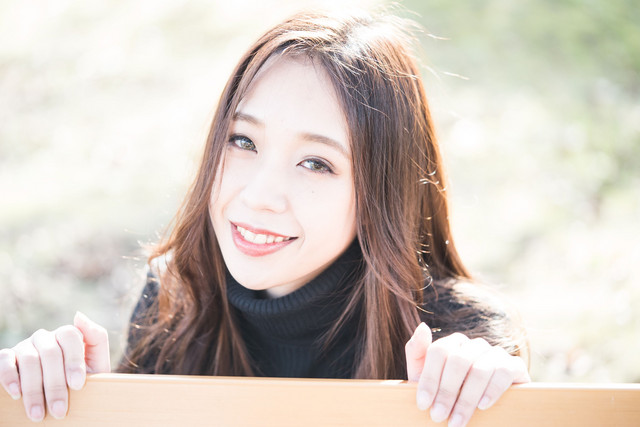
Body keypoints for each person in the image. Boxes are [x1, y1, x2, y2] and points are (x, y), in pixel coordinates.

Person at [0, 8, 529, 427]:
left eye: (315, 163)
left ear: (382, 193)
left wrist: (486, 403)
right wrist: (89, 408)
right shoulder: (178, 301)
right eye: (244, 141)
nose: (259, 196)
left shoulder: (456, 342)